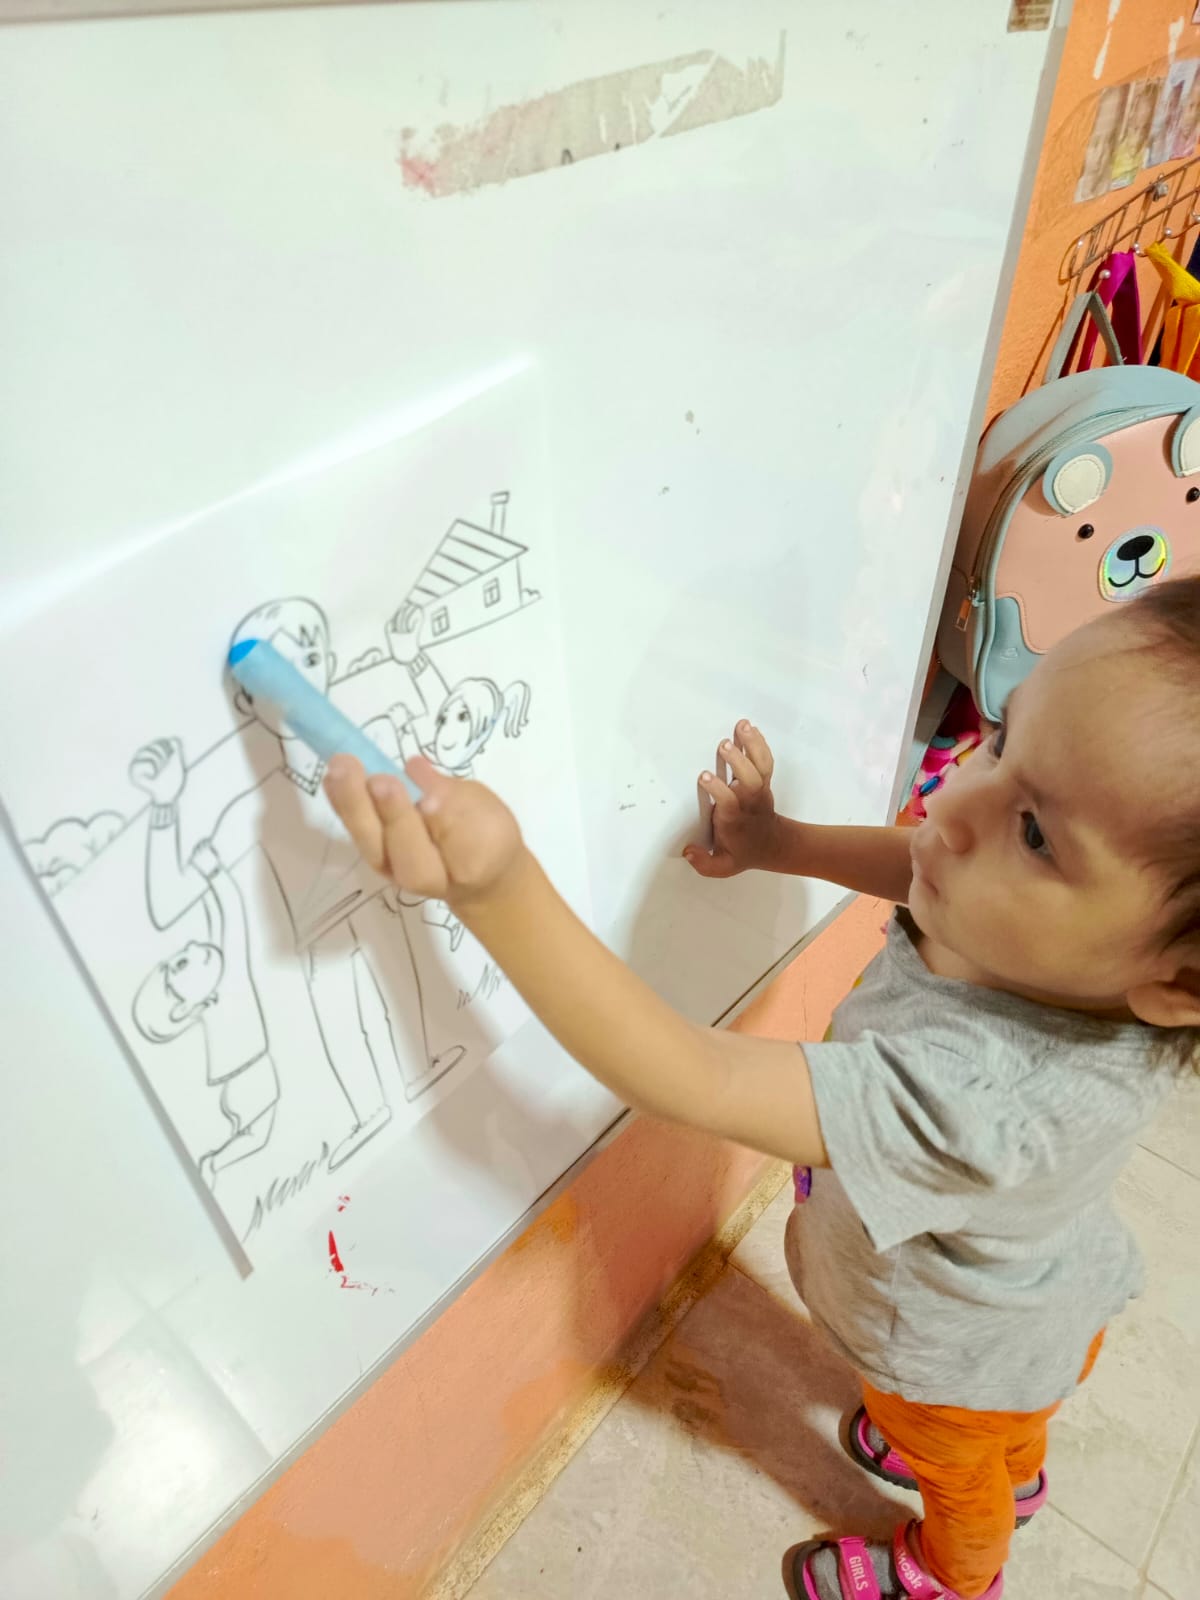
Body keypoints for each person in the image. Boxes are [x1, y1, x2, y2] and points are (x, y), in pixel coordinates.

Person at [322, 577, 1200, 1600]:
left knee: (960, 1476)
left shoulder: (980, 1100)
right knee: (1002, 1425)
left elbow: (689, 1074)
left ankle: (956, 1574)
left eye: (1038, 834)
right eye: (1002, 740)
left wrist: (497, 889)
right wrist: (782, 845)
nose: (954, 805)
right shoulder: (1086, 966)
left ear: (1177, 983)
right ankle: (1017, 1458)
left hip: (949, 1360)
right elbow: (919, 858)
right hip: (1037, 1303)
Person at [129, 826, 280, 1193]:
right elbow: (233, 921)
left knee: (255, 1134)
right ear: (183, 1009)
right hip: (250, 1080)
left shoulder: (212, 994)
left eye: (180, 956)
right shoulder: (227, 985)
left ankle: (216, 1164)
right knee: (258, 1136)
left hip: (241, 1083)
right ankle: (213, 1163)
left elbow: (219, 929)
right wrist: (213, 872)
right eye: (182, 964)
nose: (191, 947)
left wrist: (206, 880)